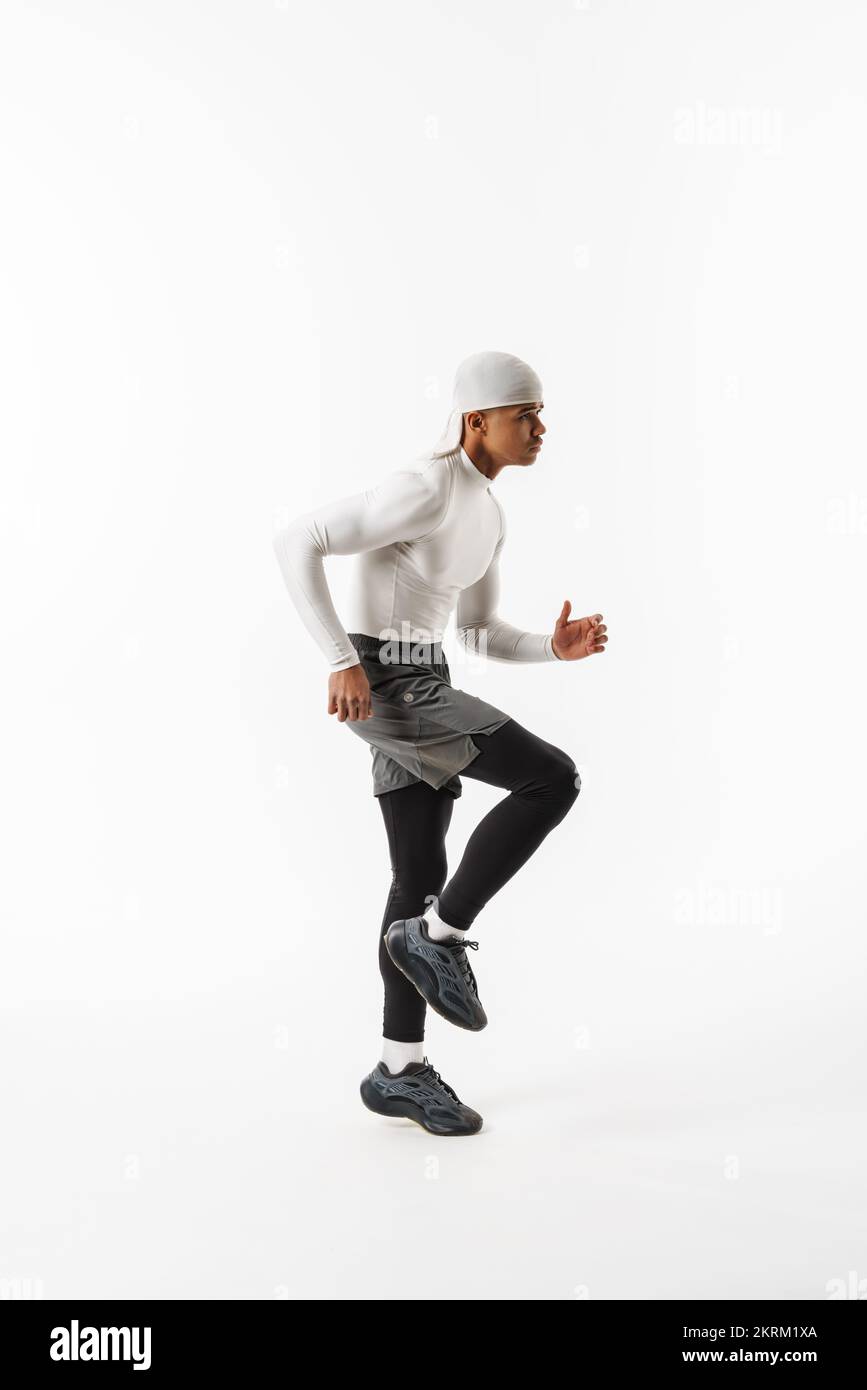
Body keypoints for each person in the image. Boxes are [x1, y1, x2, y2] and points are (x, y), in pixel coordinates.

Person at [272, 350, 608, 1137]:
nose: (539, 427)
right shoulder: (426, 485)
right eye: (525, 413)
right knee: (550, 779)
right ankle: (440, 936)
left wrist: (549, 650)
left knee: (417, 872)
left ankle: (398, 1071)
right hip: (388, 680)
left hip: (426, 669)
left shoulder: (488, 512)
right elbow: (299, 540)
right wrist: (341, 660)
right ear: (476, 420)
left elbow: (480, 631)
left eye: (540, 412)